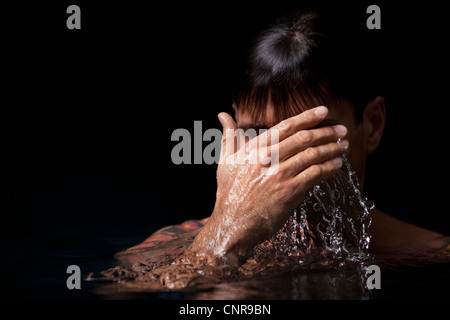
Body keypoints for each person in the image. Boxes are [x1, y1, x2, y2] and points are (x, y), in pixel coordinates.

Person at [118, 10, 448, 270]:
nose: (278, 162)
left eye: (307, 135)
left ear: (372, 125)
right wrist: (226, 237)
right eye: (259, 136)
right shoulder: (169, 250)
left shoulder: (433, 257)